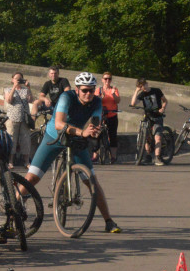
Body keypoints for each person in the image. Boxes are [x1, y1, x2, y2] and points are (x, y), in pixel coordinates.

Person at [22, 72, 121, 233]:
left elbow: (95, 121)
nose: (88, 93)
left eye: (91, 90)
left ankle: (109, 221)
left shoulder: (96, 102)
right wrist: (82, 132)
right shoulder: (66, 97)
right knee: (32, 176)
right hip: (55, 136)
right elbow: (60, 124)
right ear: (77, 90)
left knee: (92, 181)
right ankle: (14, 204)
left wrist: (95, 130)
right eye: (84, 90)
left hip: (76, 140)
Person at [130, 79, 169, 166]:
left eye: (143, 85)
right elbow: (133, 103)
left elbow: (165, 101)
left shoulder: (156, 91)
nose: (142, 88)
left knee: (158, 137)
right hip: (148, 117)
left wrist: (162, 108)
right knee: (146, 137)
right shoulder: (142, 94)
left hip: (157, 116)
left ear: (147, 84)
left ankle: (157, 157)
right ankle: (148, 156)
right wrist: (136, 91)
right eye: (140, 87)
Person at [3, 72, 33, 167]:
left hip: (24, 119)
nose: (18, 80)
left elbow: (30, 100)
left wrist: (29, 88)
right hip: (12, 118)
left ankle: (26, 162)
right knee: (12, 140)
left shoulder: (25, 90)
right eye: (16, 78)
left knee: (25, 140)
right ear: (12, 80)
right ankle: (11, 161)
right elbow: (9, 100)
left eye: (20, 78)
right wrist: (14, 88)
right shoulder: (7, 89)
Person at [99, 72, 120, 163]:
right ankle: (95, 155)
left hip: (112, 115)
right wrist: (101, 97)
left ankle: (113, 156)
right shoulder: (98, 90)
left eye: (109, 79)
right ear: (102, 80)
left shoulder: (114, 89)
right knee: (96, 133)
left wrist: (113, 94)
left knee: (112, 135)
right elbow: (94, 102)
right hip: (101, 115)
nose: (107, 80)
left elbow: (118, 101)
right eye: (105, 78)